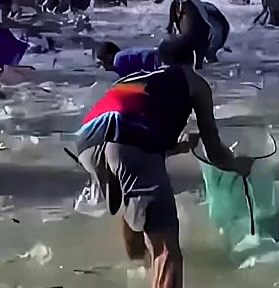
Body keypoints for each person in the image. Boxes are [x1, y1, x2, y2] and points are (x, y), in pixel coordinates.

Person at [76, 45, 254, 288]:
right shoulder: (194, 81)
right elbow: (215, 152)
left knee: (131, 201)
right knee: (168, 251)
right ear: (192, 58)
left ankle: (137, 269)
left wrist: (176, 147)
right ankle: (153, 268)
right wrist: (237, 164)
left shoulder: (139, 78)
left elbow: (130, 134)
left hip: (87, 139)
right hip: (125, 138)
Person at [95, 41, 161, 78]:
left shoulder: (118, 62)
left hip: (157, 63)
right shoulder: (123, 56)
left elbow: (128, 81)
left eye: (101, 62)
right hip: (161, 55)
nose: (103, 67)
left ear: (108, 57)